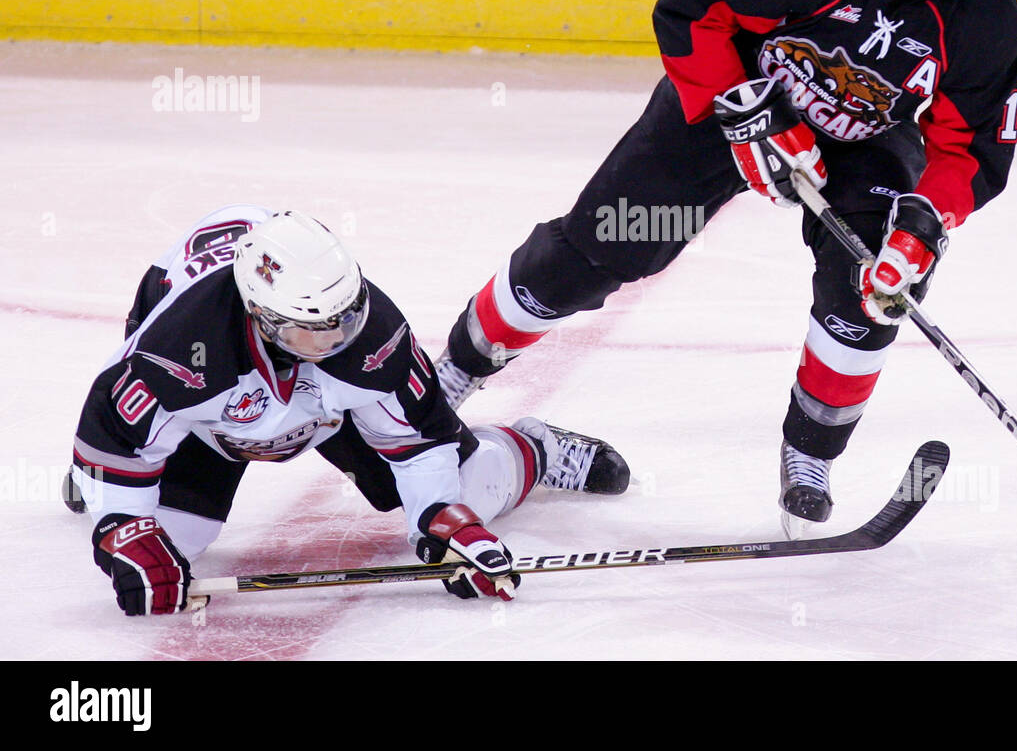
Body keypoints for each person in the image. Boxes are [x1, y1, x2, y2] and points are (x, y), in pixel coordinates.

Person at [431, 0, 1017, 537]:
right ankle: (457, 367)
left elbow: (972, 147)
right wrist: (752, 115)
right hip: (735, 98)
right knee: (603, 244)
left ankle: (809, 457)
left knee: (872, 287)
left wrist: (924, 222)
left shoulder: (985, 15)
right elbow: (688, 9)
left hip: (865, 138)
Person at [63, 205, 630, 616]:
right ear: (261, 316)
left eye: (346, 318)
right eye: (315, 331)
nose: (339, 340)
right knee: (167, 545)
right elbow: (113, 435)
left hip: (326, 412)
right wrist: (122, 520)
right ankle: (101, 489)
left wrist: (443, 516)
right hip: (208, 425)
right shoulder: (182, 349)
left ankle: (530, 447)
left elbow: (420, 441)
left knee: (467, 487)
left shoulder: (370, 329)